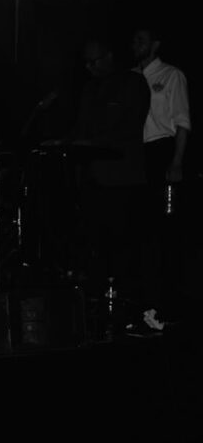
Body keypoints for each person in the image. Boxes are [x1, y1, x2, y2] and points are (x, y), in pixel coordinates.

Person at [41, 37, 151, 305]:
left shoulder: (133, 83)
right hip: (94, 178)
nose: (90, 67)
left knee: (124, 245)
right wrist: (63, 141)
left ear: (110, 57)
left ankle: (130, 303)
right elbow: (81, 128)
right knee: (95, 243)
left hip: (124, 178)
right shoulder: (90, 88)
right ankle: (97, 299)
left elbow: (129, 128)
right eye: (86, 63)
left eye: (95, 61)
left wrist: (91, 142)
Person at [130, 26, 192, 329]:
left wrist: (177, 161)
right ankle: (141, 304)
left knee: (162, 230)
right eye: (134, 39)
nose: (136, 44)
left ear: (155, 44)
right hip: (134, 156)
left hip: (160, 152)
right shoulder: (129, 78)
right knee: (138, 230)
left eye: (142, 39)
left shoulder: (171, 75)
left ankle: (165, 307)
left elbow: (181, 121)